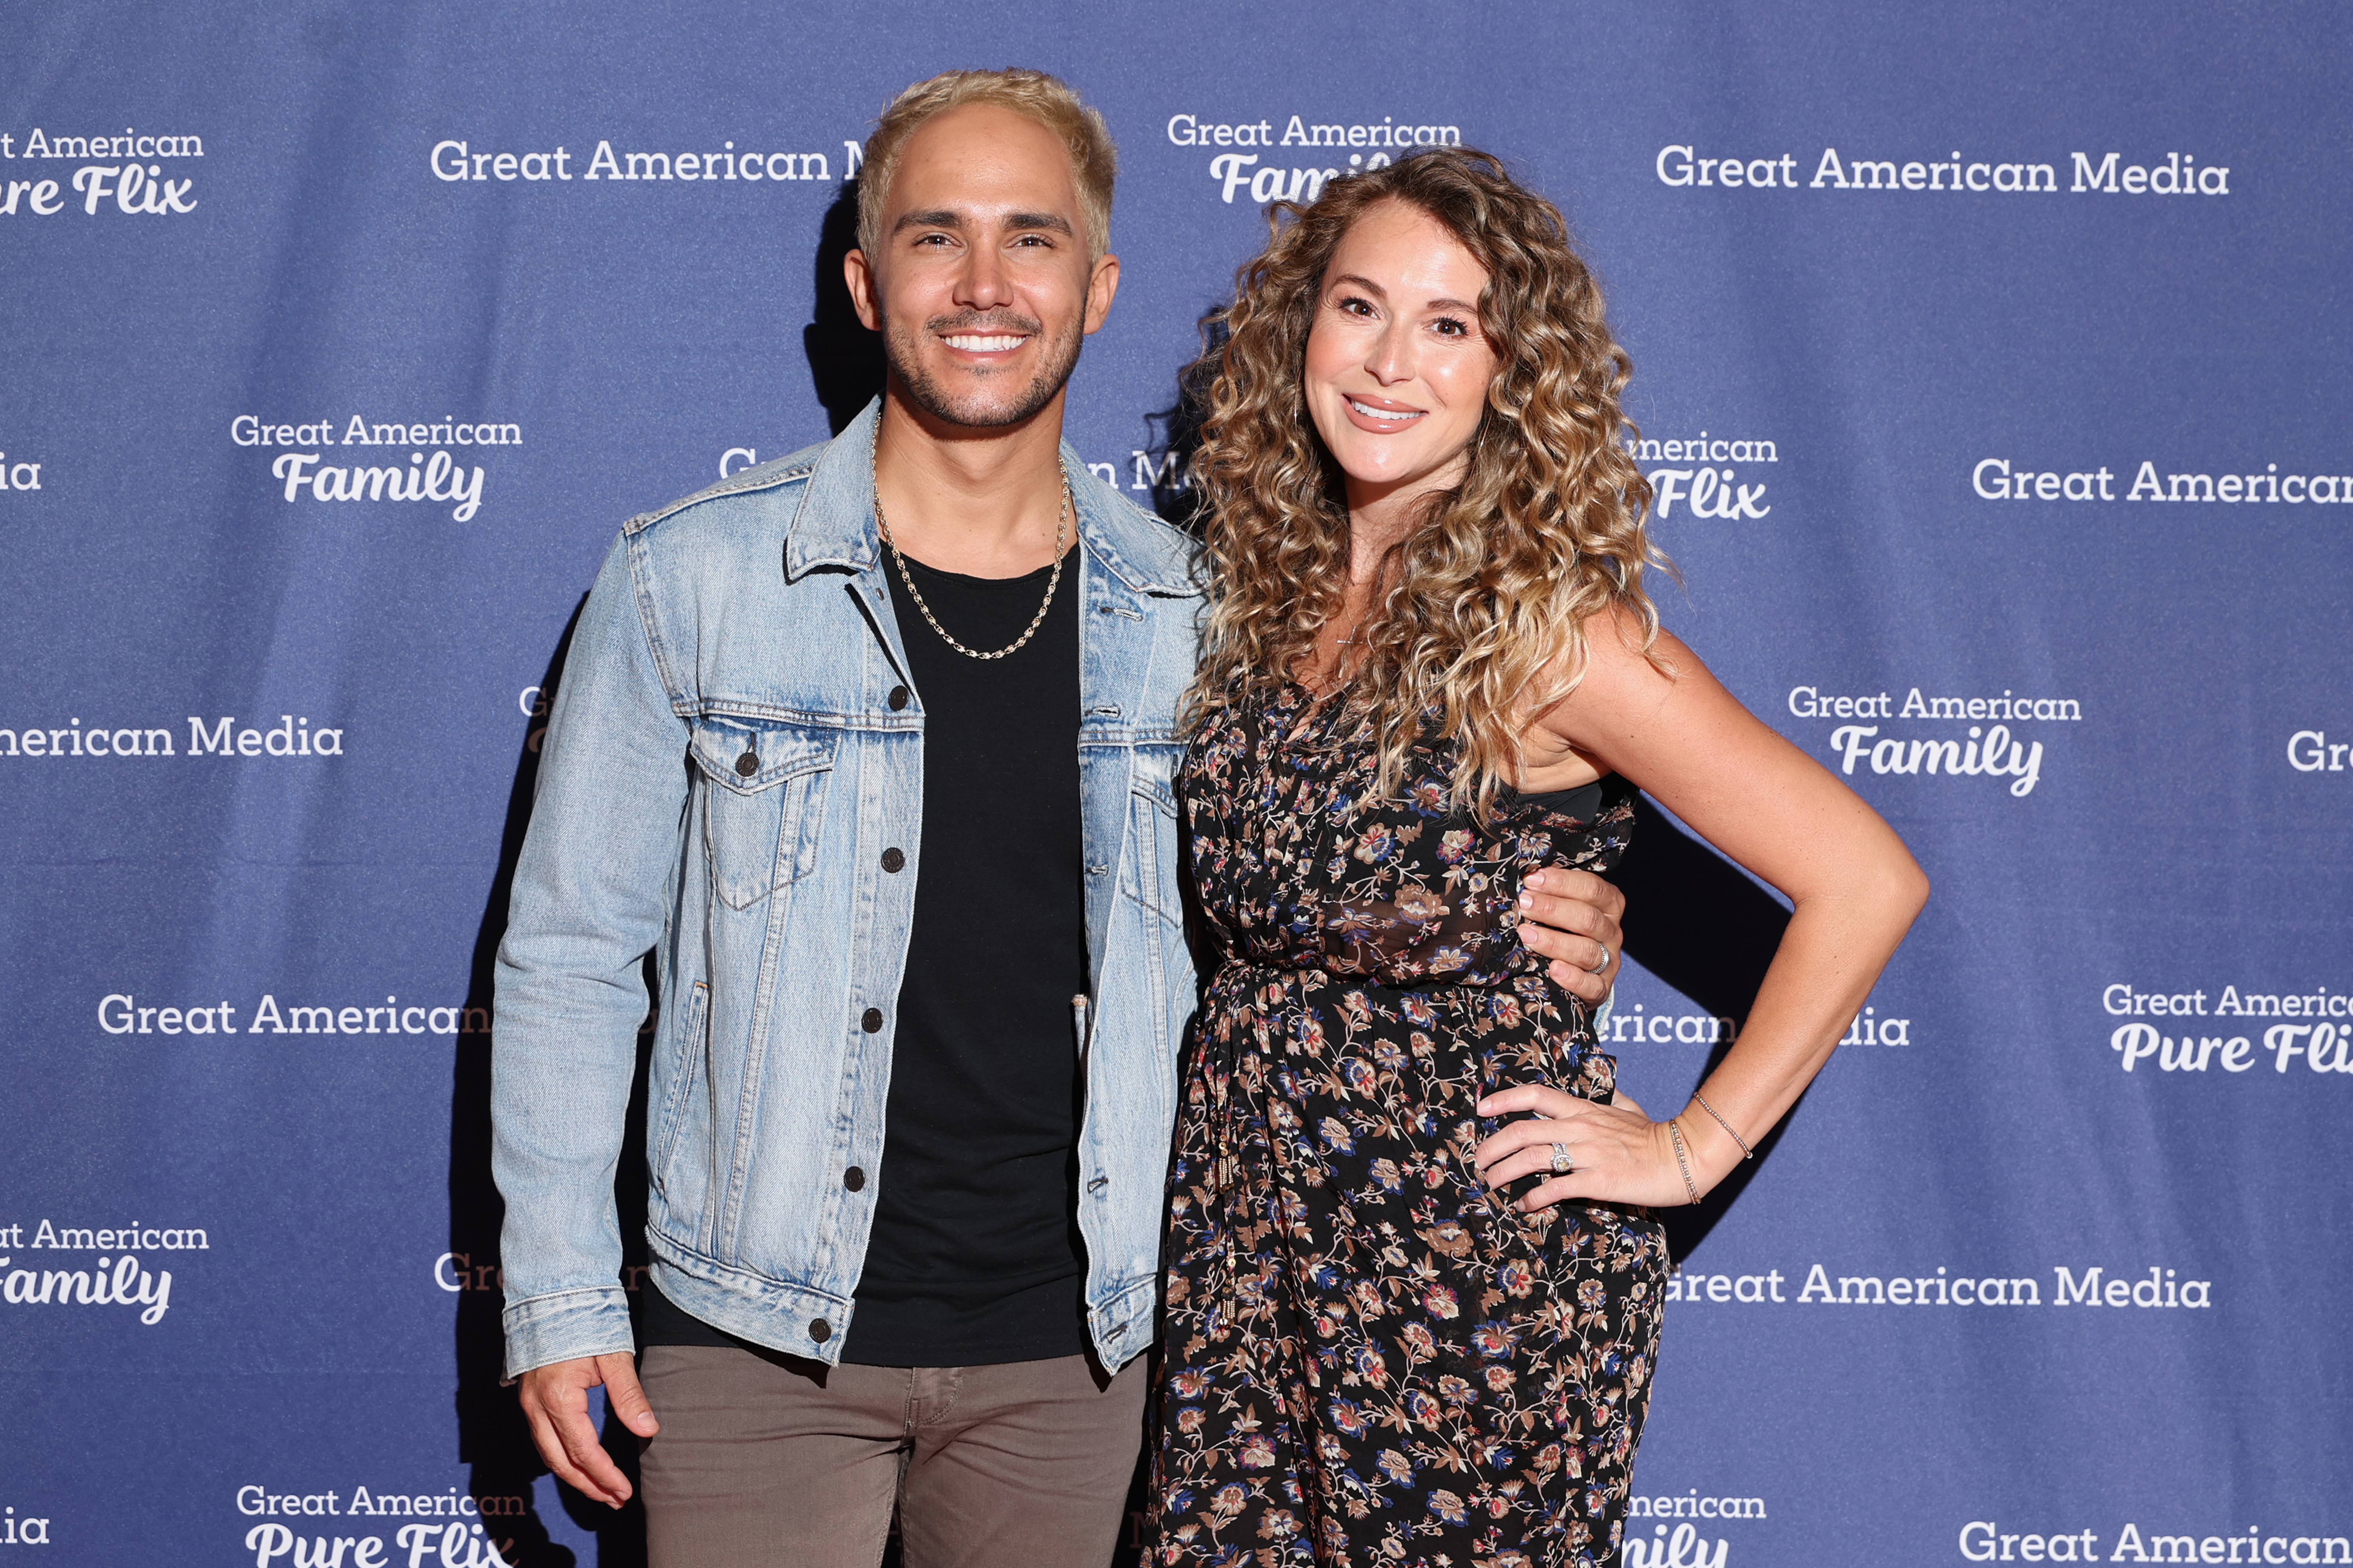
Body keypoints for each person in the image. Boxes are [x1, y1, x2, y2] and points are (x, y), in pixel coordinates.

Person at [490, 75, 1627, 1568]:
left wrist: (1542, 905)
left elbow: (1340, 869)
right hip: (753, 1338)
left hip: (1097, 1360)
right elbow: (574, 957)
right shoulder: (686, 585)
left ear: (1094, 291)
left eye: (1030, 241)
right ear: (864, 280)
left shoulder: (1209, 617)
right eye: (934, 237)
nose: (981, 286)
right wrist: (562, 1294)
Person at [1147, 148, 1929, 1567]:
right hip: (1251, 1238)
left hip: (1472, 1270)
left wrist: (1696, 1148)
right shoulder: (1257, 590)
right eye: (1360, 308)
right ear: (1299, 331)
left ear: (1512, 372)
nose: (1392, 362)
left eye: (1451, 325)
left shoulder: (1549, 628)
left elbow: (1865, 876)